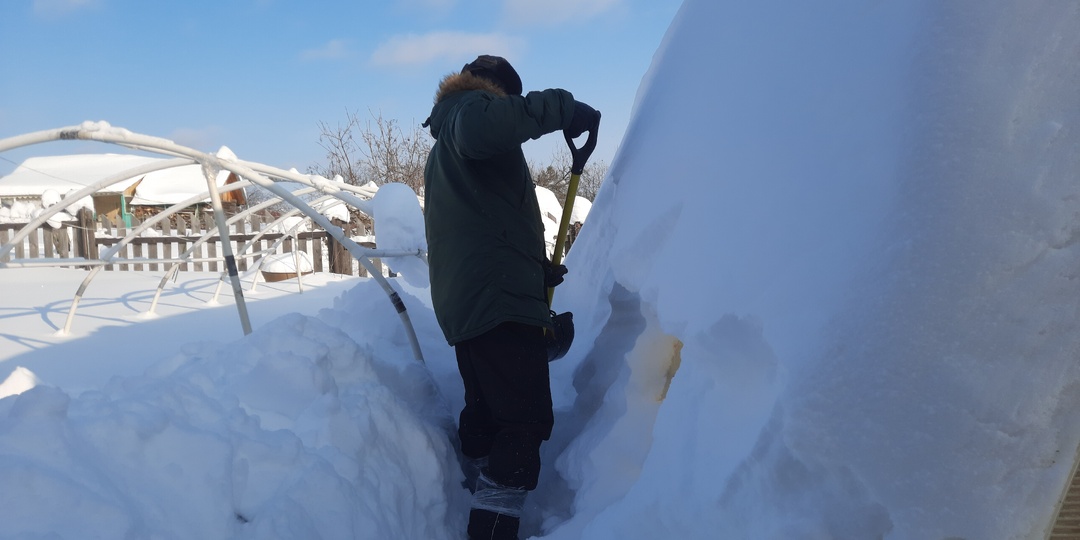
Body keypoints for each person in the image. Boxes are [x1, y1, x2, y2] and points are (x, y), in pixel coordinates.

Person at [422, 55, 600, 540]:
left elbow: (484, 226)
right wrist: (563, 109)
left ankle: (471, 488)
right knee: (525, 422)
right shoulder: (469, 113)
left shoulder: (452, 153)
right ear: (497, 93)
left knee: (490, 415)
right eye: (511, 101)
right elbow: (489, 125)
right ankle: (492, 529)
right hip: (494, 303)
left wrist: (536, 272)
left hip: (477, 302)